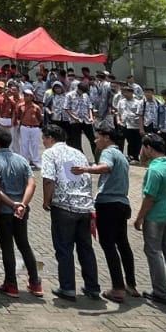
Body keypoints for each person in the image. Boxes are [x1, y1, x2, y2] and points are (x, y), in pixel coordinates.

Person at [72, 126, 136, 302]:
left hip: (108, 204)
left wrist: (85, 169)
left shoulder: (108, 152)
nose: (95, 141)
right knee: (123, 244)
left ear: (107, 138)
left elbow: (105, 167)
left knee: (108, 245)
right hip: (122, 204)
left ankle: (118, 288)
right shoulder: (122, 156)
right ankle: (131, 284)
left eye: (97, 137)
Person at [39, 124, 99, 302]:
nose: (43, 142)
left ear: (50, 137)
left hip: (64, 207)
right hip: (84, 207)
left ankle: (67, 288)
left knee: (64, 249)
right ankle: (92, 287)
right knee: (85, 249)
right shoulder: (78, 153)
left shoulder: (50, 153)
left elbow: (49, 179)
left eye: (44, 138)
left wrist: (46, 200)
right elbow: (85, 179)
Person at [0, 127, 42, 299]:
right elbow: (31, 184)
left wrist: (12, 204)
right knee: (24, 244)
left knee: (7, 247)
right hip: (21, 212)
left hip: (4, 211)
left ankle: (11, 284)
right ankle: (35, 283)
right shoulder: (21, 160)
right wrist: (22, 205)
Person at [133, 133, 166, 306]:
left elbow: (149, 197)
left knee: (154, 253)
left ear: (148, 148)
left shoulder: (154, 170)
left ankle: (161, 292)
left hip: (155, 216)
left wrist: (139, 218)